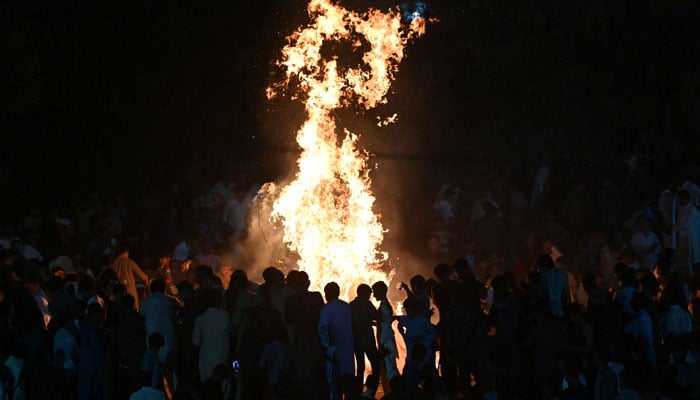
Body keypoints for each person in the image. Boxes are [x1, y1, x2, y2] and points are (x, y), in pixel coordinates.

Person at [318, 282, 354, 399]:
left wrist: (325, 346)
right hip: (348, 346)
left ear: (327, 294)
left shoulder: (326, 308)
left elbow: (323, 328)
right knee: (348, 378)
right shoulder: (346, 306)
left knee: (334, 379)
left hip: (334, 348)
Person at [192, 288, 231, 382]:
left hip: (206, 356)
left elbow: (196, 342)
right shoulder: (226, 315)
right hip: (222, 353)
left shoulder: (200, 319)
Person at [349, 284, 380, 397]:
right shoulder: (366, 303)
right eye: (369, 293)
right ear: (365, 293)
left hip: (356, 340)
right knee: (376, 364)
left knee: (360, 367)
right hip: (367, 340)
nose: (371, 295)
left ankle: (358, 392)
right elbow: (376, 316)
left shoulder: (351, 305)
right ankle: (372, 390)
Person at [140, 279, 179, 356]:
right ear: (164, 288)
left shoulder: (146, 302)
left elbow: (141, 316)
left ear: (151, 289)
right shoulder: (172, 301)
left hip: (152, 340)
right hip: (170, 338)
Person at [112, 245, 149, 310]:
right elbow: (143, 277)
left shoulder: (114, 263)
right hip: (130, 293)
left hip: (118, 296)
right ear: (126, 252)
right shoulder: (129, 262)